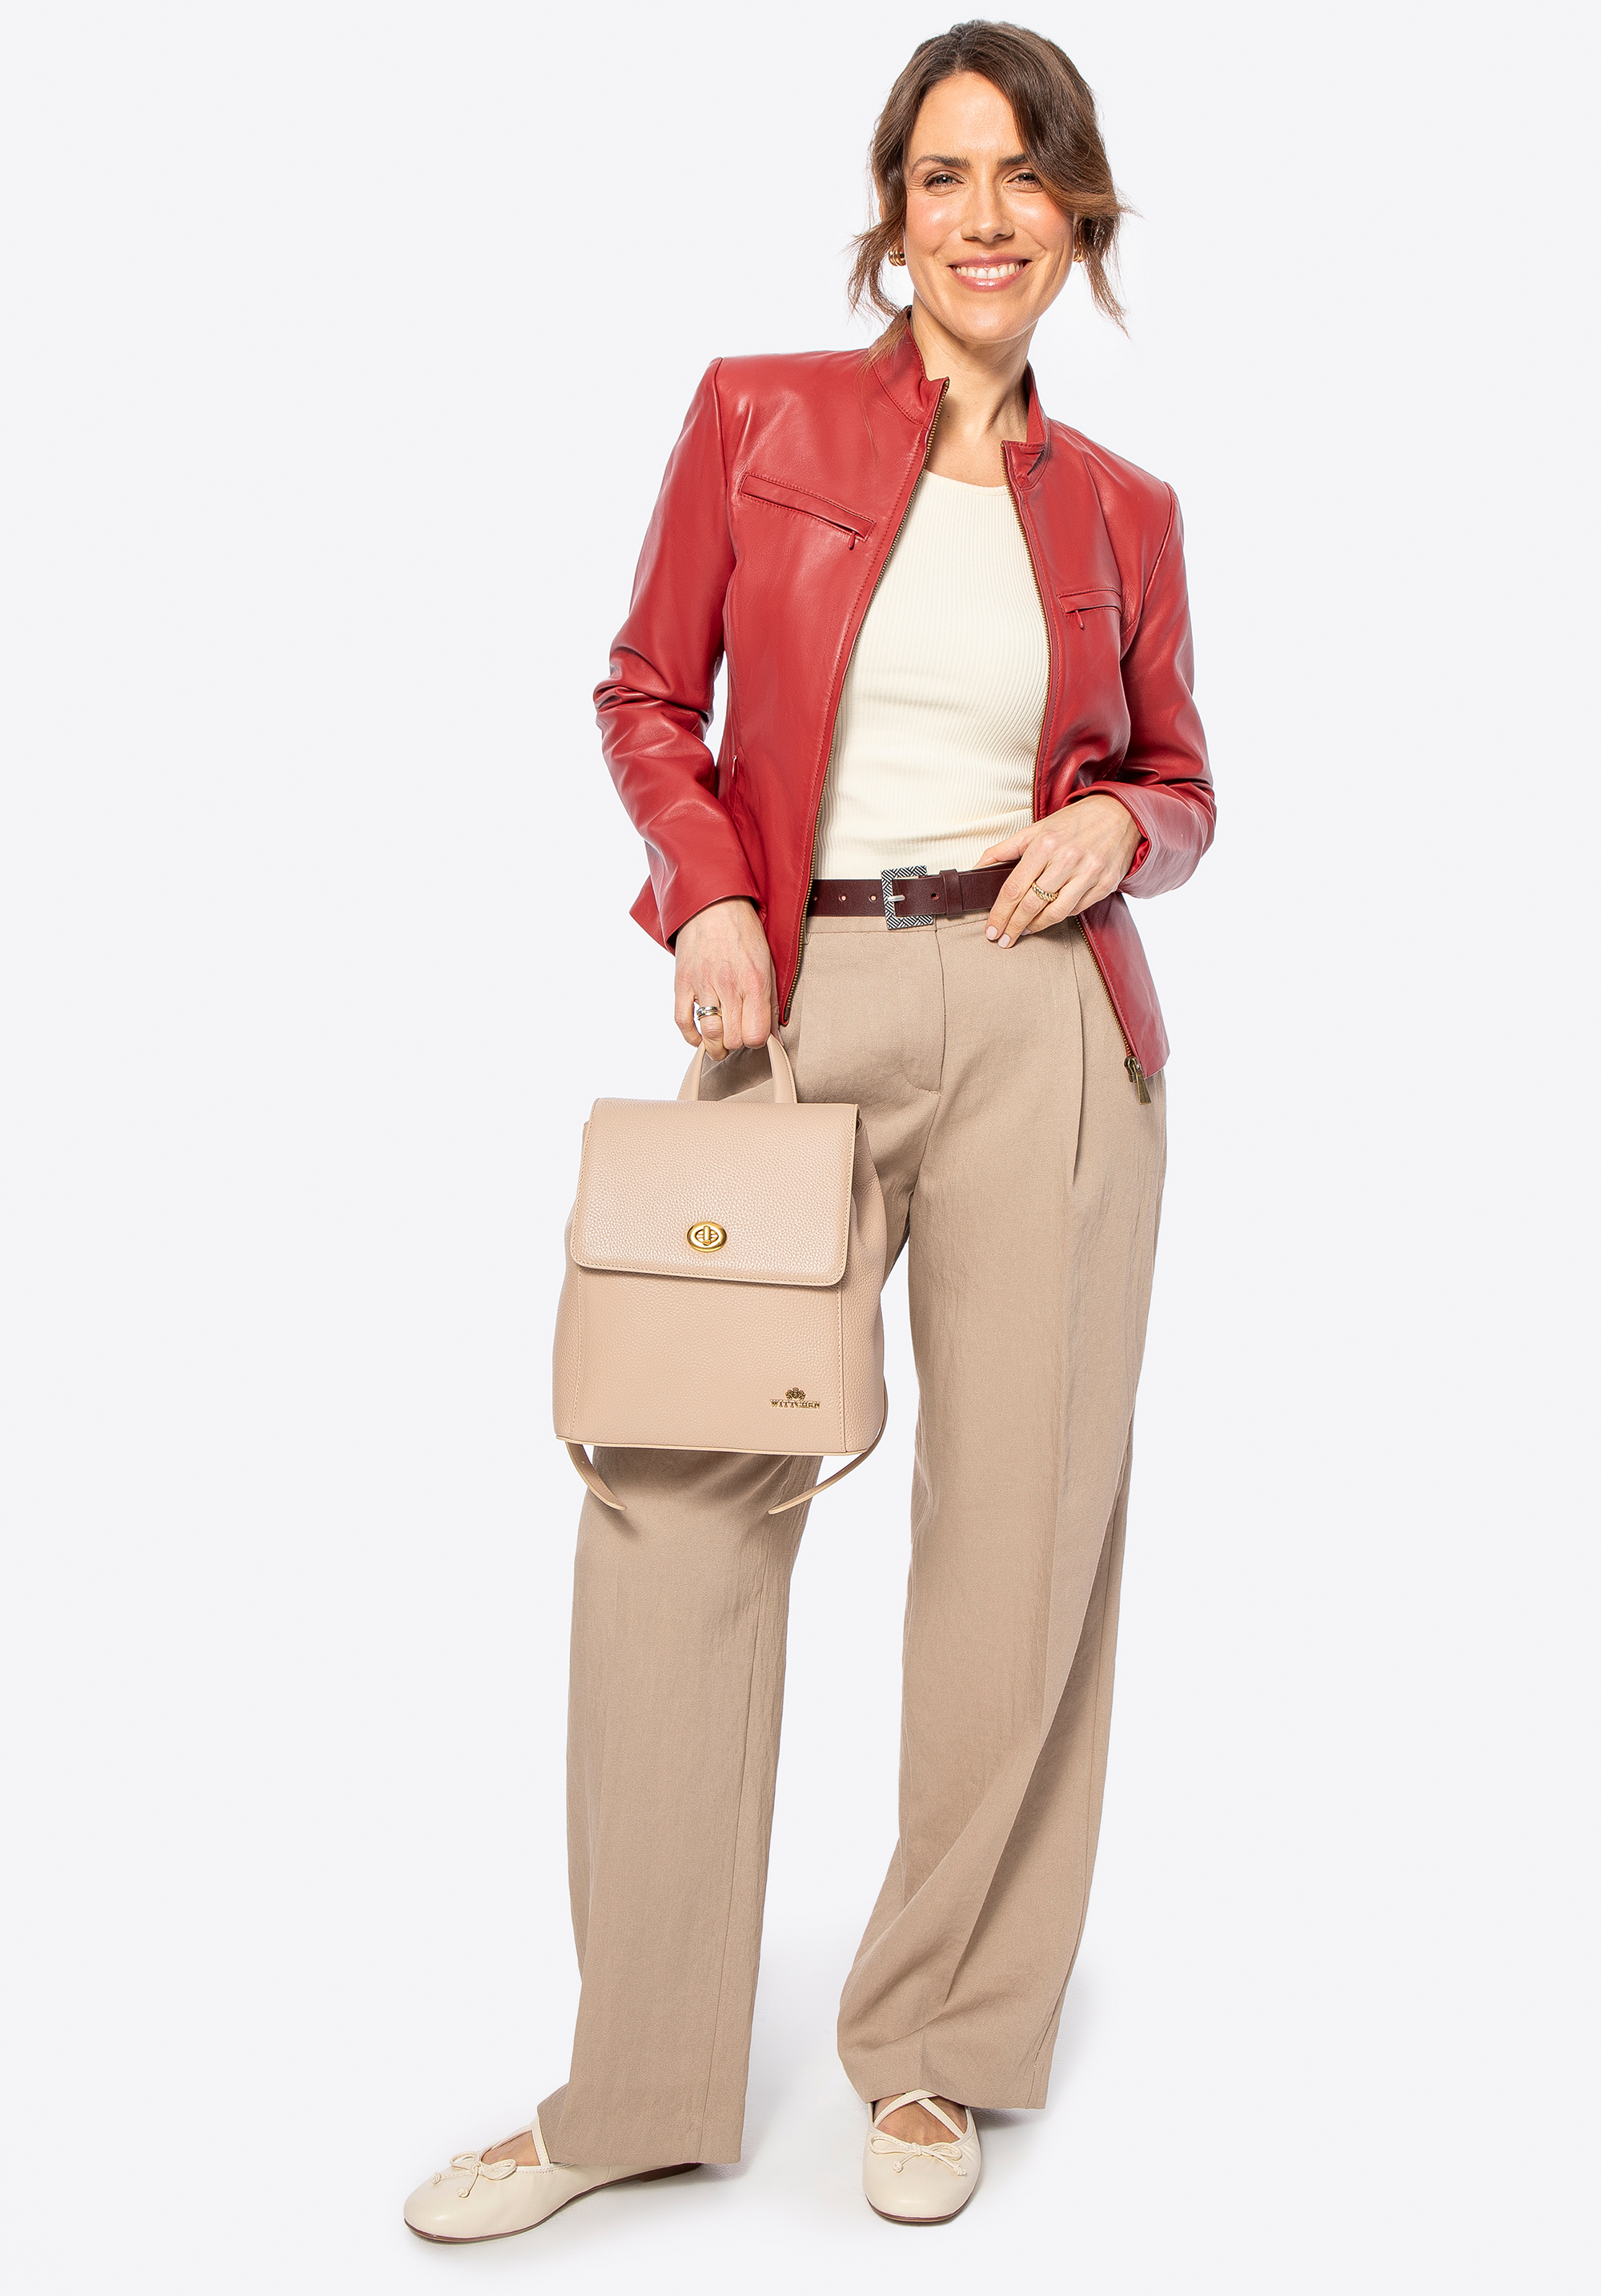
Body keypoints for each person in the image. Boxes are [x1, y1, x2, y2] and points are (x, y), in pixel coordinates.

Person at [403, 18, 1213, 2242]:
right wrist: (708, 891)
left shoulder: (1125, 510)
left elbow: (1184, 779)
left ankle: (941, 2039)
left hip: (1049, 1025)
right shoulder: (756, 416)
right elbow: (646, 693)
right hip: (793, 999)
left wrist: (1127, 830)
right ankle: (638, 2084)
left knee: (1020, 1540)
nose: (984, 217)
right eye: (945, 175)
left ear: (1078, 216)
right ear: (894, 212)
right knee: (677, 1511)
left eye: (1024, 176)